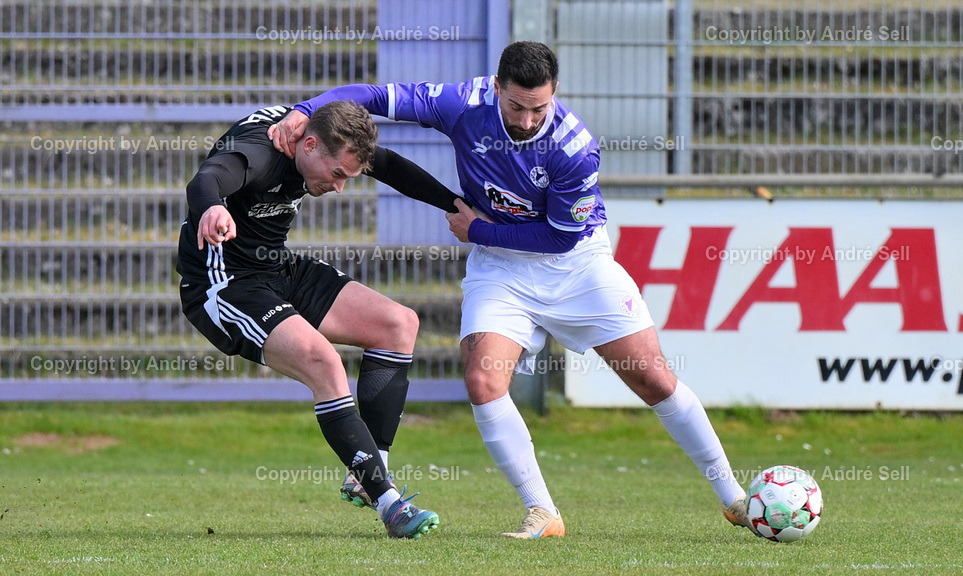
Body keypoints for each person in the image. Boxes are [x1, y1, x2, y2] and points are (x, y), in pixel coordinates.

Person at [268, 41, 753, 539]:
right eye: (516, 106)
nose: (526, 120)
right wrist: (305, 111)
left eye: (538, 107)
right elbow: (371, 95)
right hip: (501, 269)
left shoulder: (574, 148)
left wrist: (478, 231)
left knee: (652, 379)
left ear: (555, 93)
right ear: (496, 88)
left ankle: (734, 497)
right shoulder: (463, 104)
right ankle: (543, 513)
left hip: (576, 266)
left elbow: (560, 236)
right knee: (484, 382)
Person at [177, 100, 454, 539]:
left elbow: (392, 167)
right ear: (307, 145)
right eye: (338, 176)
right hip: (224, 284)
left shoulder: (326, 133)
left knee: (398, 324)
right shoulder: (264, 152)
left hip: (275, 269)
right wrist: (211, 208)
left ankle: (368, 469)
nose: (341, 187)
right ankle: (390, 505)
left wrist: (455, 204)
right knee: (324, 362)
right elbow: (208, 177)